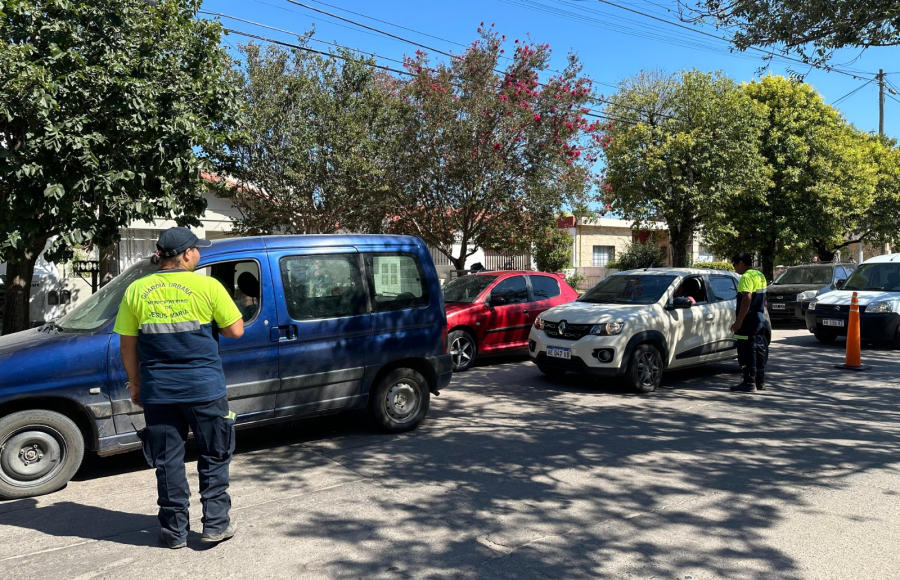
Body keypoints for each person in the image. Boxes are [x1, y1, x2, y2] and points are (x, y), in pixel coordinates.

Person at [114, 227, 245, 549]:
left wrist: (135, 384)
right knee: (214, 454)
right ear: (187, 254)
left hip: (158, 390)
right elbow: (236, 331)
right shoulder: (208, 286)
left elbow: (127, 345)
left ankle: (174, 532)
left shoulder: (136, 289)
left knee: (167, 460)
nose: (199, 254)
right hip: (204, 388)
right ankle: (215, 525)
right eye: (197, 249)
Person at [730, 252, 768, 393]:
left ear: (740, 263)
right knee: (759, 349)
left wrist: (738, 321)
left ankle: (749, 382)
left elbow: (746, 299)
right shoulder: (760, 275)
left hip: (748, 320)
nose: (735, 269)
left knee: (746, 350)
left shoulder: (746, 277)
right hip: (759, 318)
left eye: (734, 265)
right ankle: (760, 381)